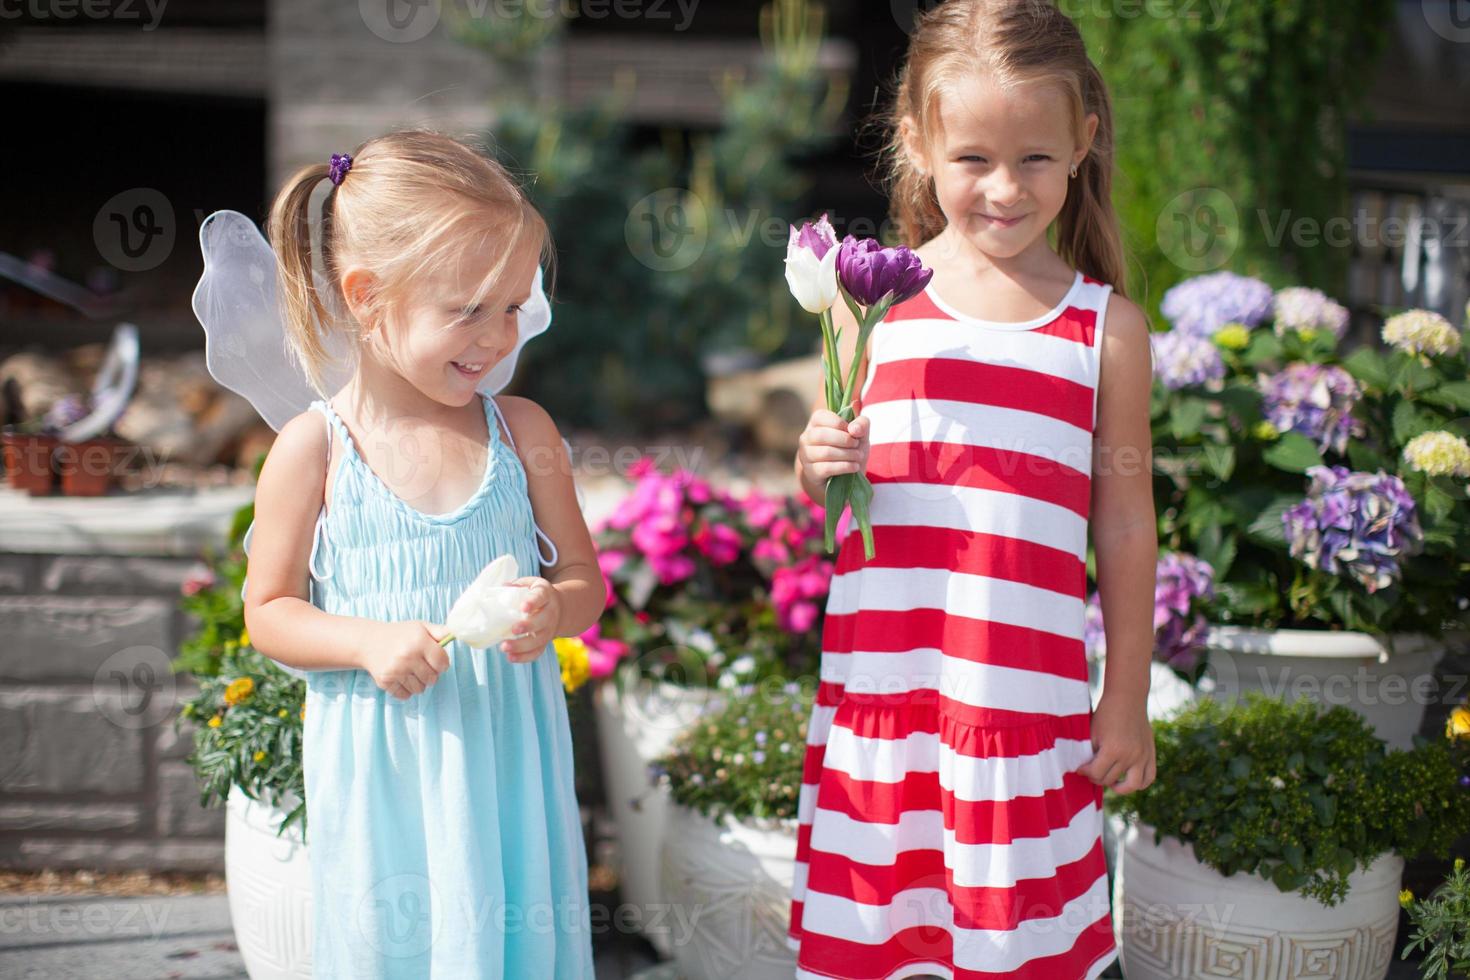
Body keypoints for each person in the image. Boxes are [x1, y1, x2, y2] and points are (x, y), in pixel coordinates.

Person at [789, 1, 1158, 976]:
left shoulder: (1104, 330)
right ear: (916, 143)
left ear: (1083, 143)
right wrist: (815, 458)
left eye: (1035, 157)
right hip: (889, 694)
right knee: (883, 933)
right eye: (973, 160)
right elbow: (828, 498)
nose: (1004, 188)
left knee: (1017, 941)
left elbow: (1124, 524)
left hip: (1021, 706)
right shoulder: (864, 306)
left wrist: (1126, 694)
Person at [238, 130, 600, 977]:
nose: (498, 336)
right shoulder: (315, 450)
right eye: (467, 309)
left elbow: (584, 581)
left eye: (513, 304)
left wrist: (555, 608)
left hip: (509, 762)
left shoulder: (526, 433)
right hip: (385, 775)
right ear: (367, 297)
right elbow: (268, 612)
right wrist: (365, 642)